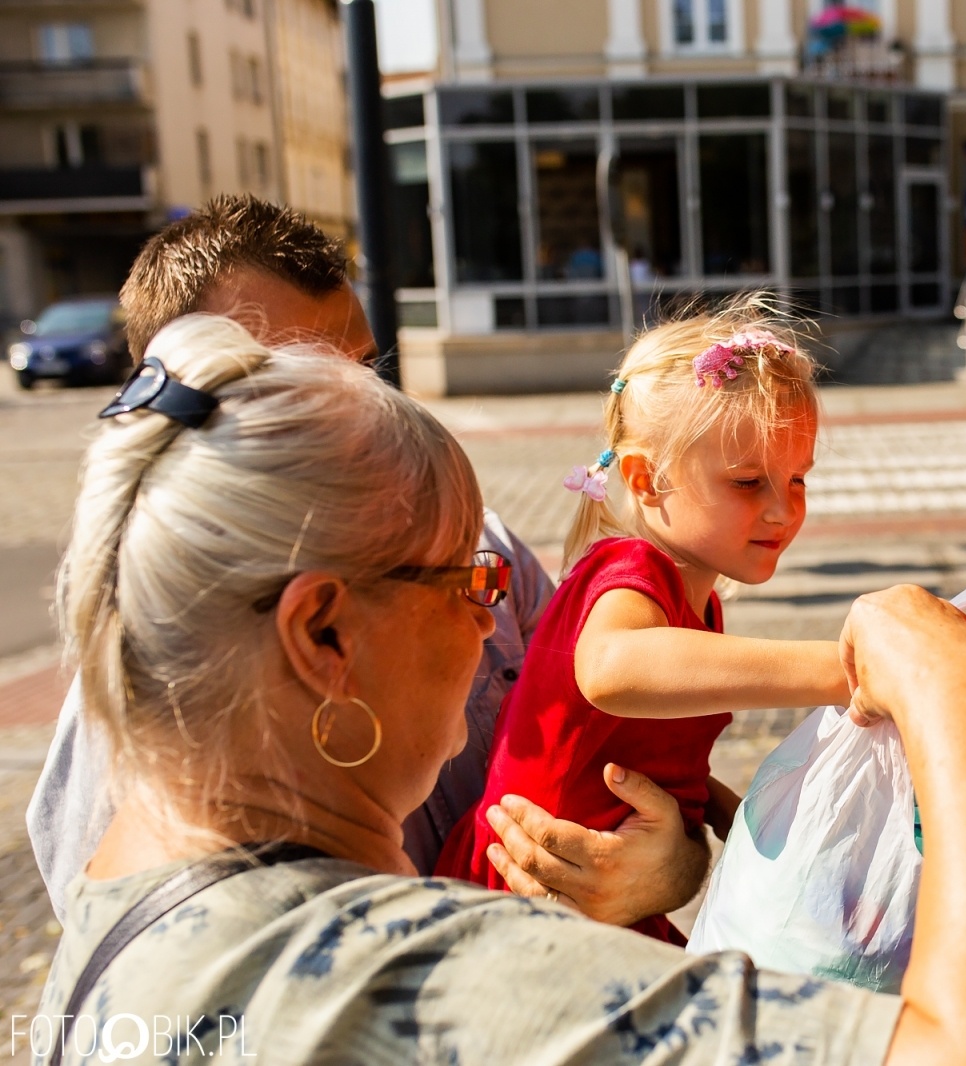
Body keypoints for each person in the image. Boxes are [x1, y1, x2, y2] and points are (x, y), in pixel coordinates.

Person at [37, 314, 966, 1064]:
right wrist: (938, 679)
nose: (497, 619)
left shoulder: (117, 917)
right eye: (467, 578)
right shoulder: (439, 980)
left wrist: (703, 852)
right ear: (323, 632)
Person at [26, 195, 709, 928]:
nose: (362, 409)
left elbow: (640, 770)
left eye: (362, 371)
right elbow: (146, 983)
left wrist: (668, 867)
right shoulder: (148, 686)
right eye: (299, 385)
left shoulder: (491, 556)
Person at [433, 303, 848, 943]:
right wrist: (839, 668)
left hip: (587, 895)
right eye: (747, 483)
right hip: (520, 897)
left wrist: (726, 812)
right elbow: (611, 669)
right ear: (647, 481)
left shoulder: (698, 601)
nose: (781, 509)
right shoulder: (629, 572)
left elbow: (637, 749)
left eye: (797, 478)